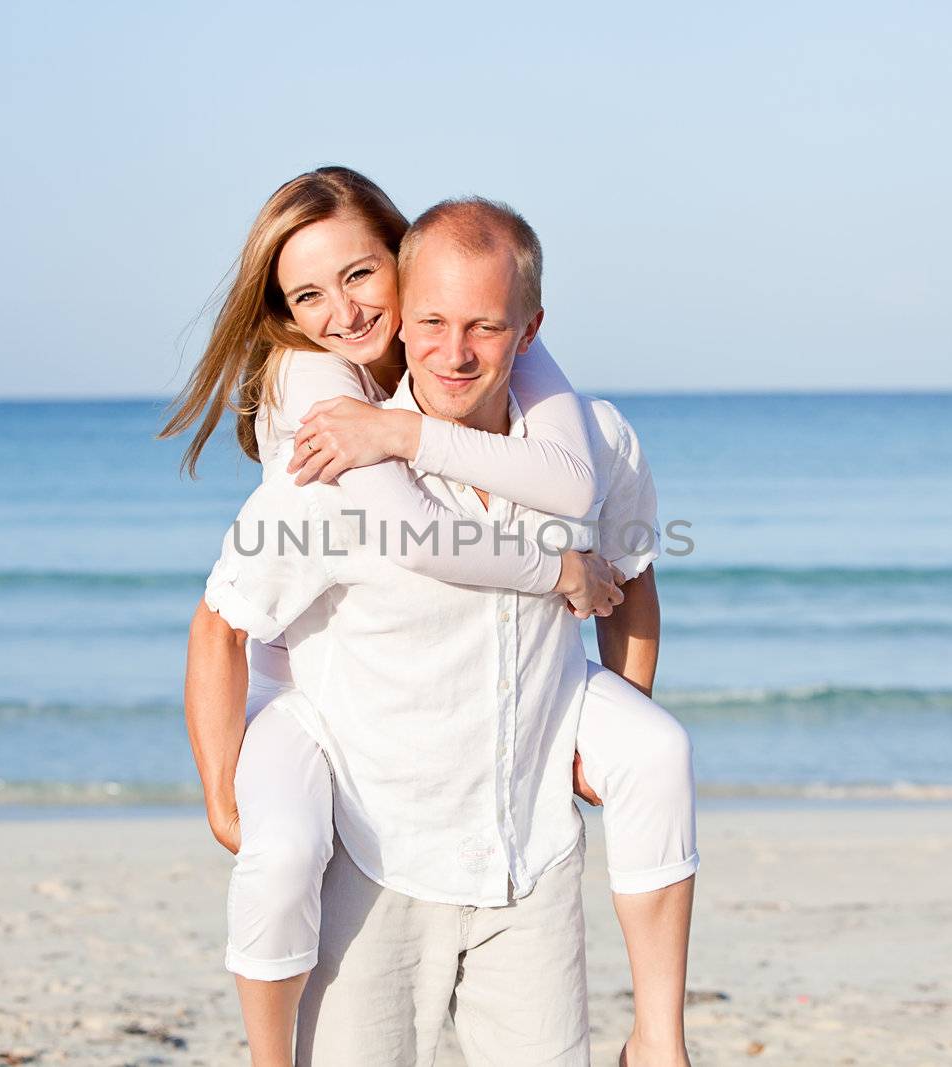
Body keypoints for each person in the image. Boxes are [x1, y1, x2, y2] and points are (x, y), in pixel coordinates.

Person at [165, 173, 697, 1065]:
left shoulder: (595, 441)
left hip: (529, 863)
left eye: (485, 326)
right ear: (414, 315)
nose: (454, 353)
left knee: (661, 748)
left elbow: (633, 579)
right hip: (379, 872)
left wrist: (602, 725)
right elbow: (220, 623)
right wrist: (226, 801)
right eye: (438, 325)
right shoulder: (324, 474)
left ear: (524, 329)